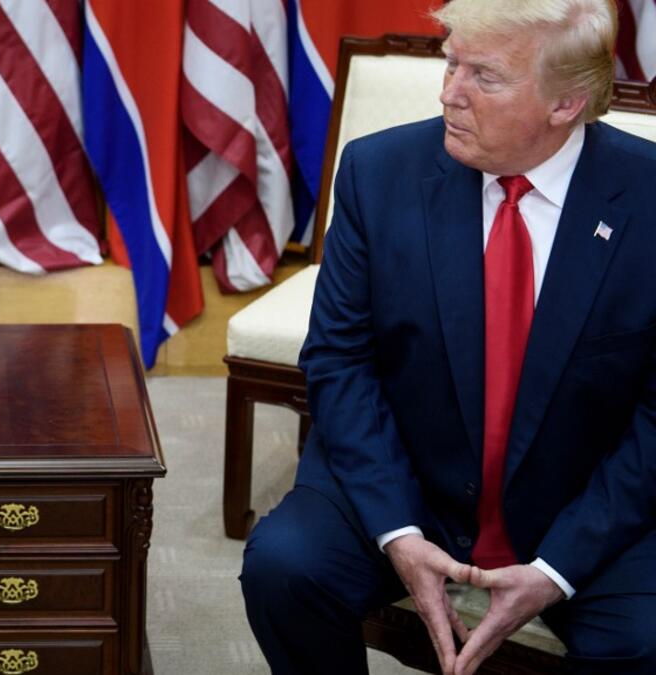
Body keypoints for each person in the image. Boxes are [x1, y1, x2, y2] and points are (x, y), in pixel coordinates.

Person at [239, 0, 656, 673]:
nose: (449, 92)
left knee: (646, 638)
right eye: (451, 61)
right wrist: (399, 532)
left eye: (483, 77)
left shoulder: (647, 198)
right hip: (413, 479)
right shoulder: (380, 173)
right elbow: (339, 362)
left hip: (582, 502)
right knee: (286, 567)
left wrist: (557, 566)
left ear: (565, 103)